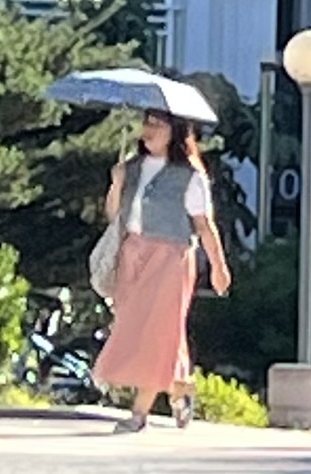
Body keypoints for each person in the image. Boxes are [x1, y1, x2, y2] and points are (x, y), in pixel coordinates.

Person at [91, 105, 229, 432]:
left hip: (171, 258)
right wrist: (116, 184)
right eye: (147, 123)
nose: (149, 130)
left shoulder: (190, 175)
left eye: (158, 124)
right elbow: (115, 216)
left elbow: (204, 225)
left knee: (155, 331)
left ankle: (140, 414)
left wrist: (218, 266)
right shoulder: (132, 168)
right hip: (132, 254)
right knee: (150, 329)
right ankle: (180, 387)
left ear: (176, 132)